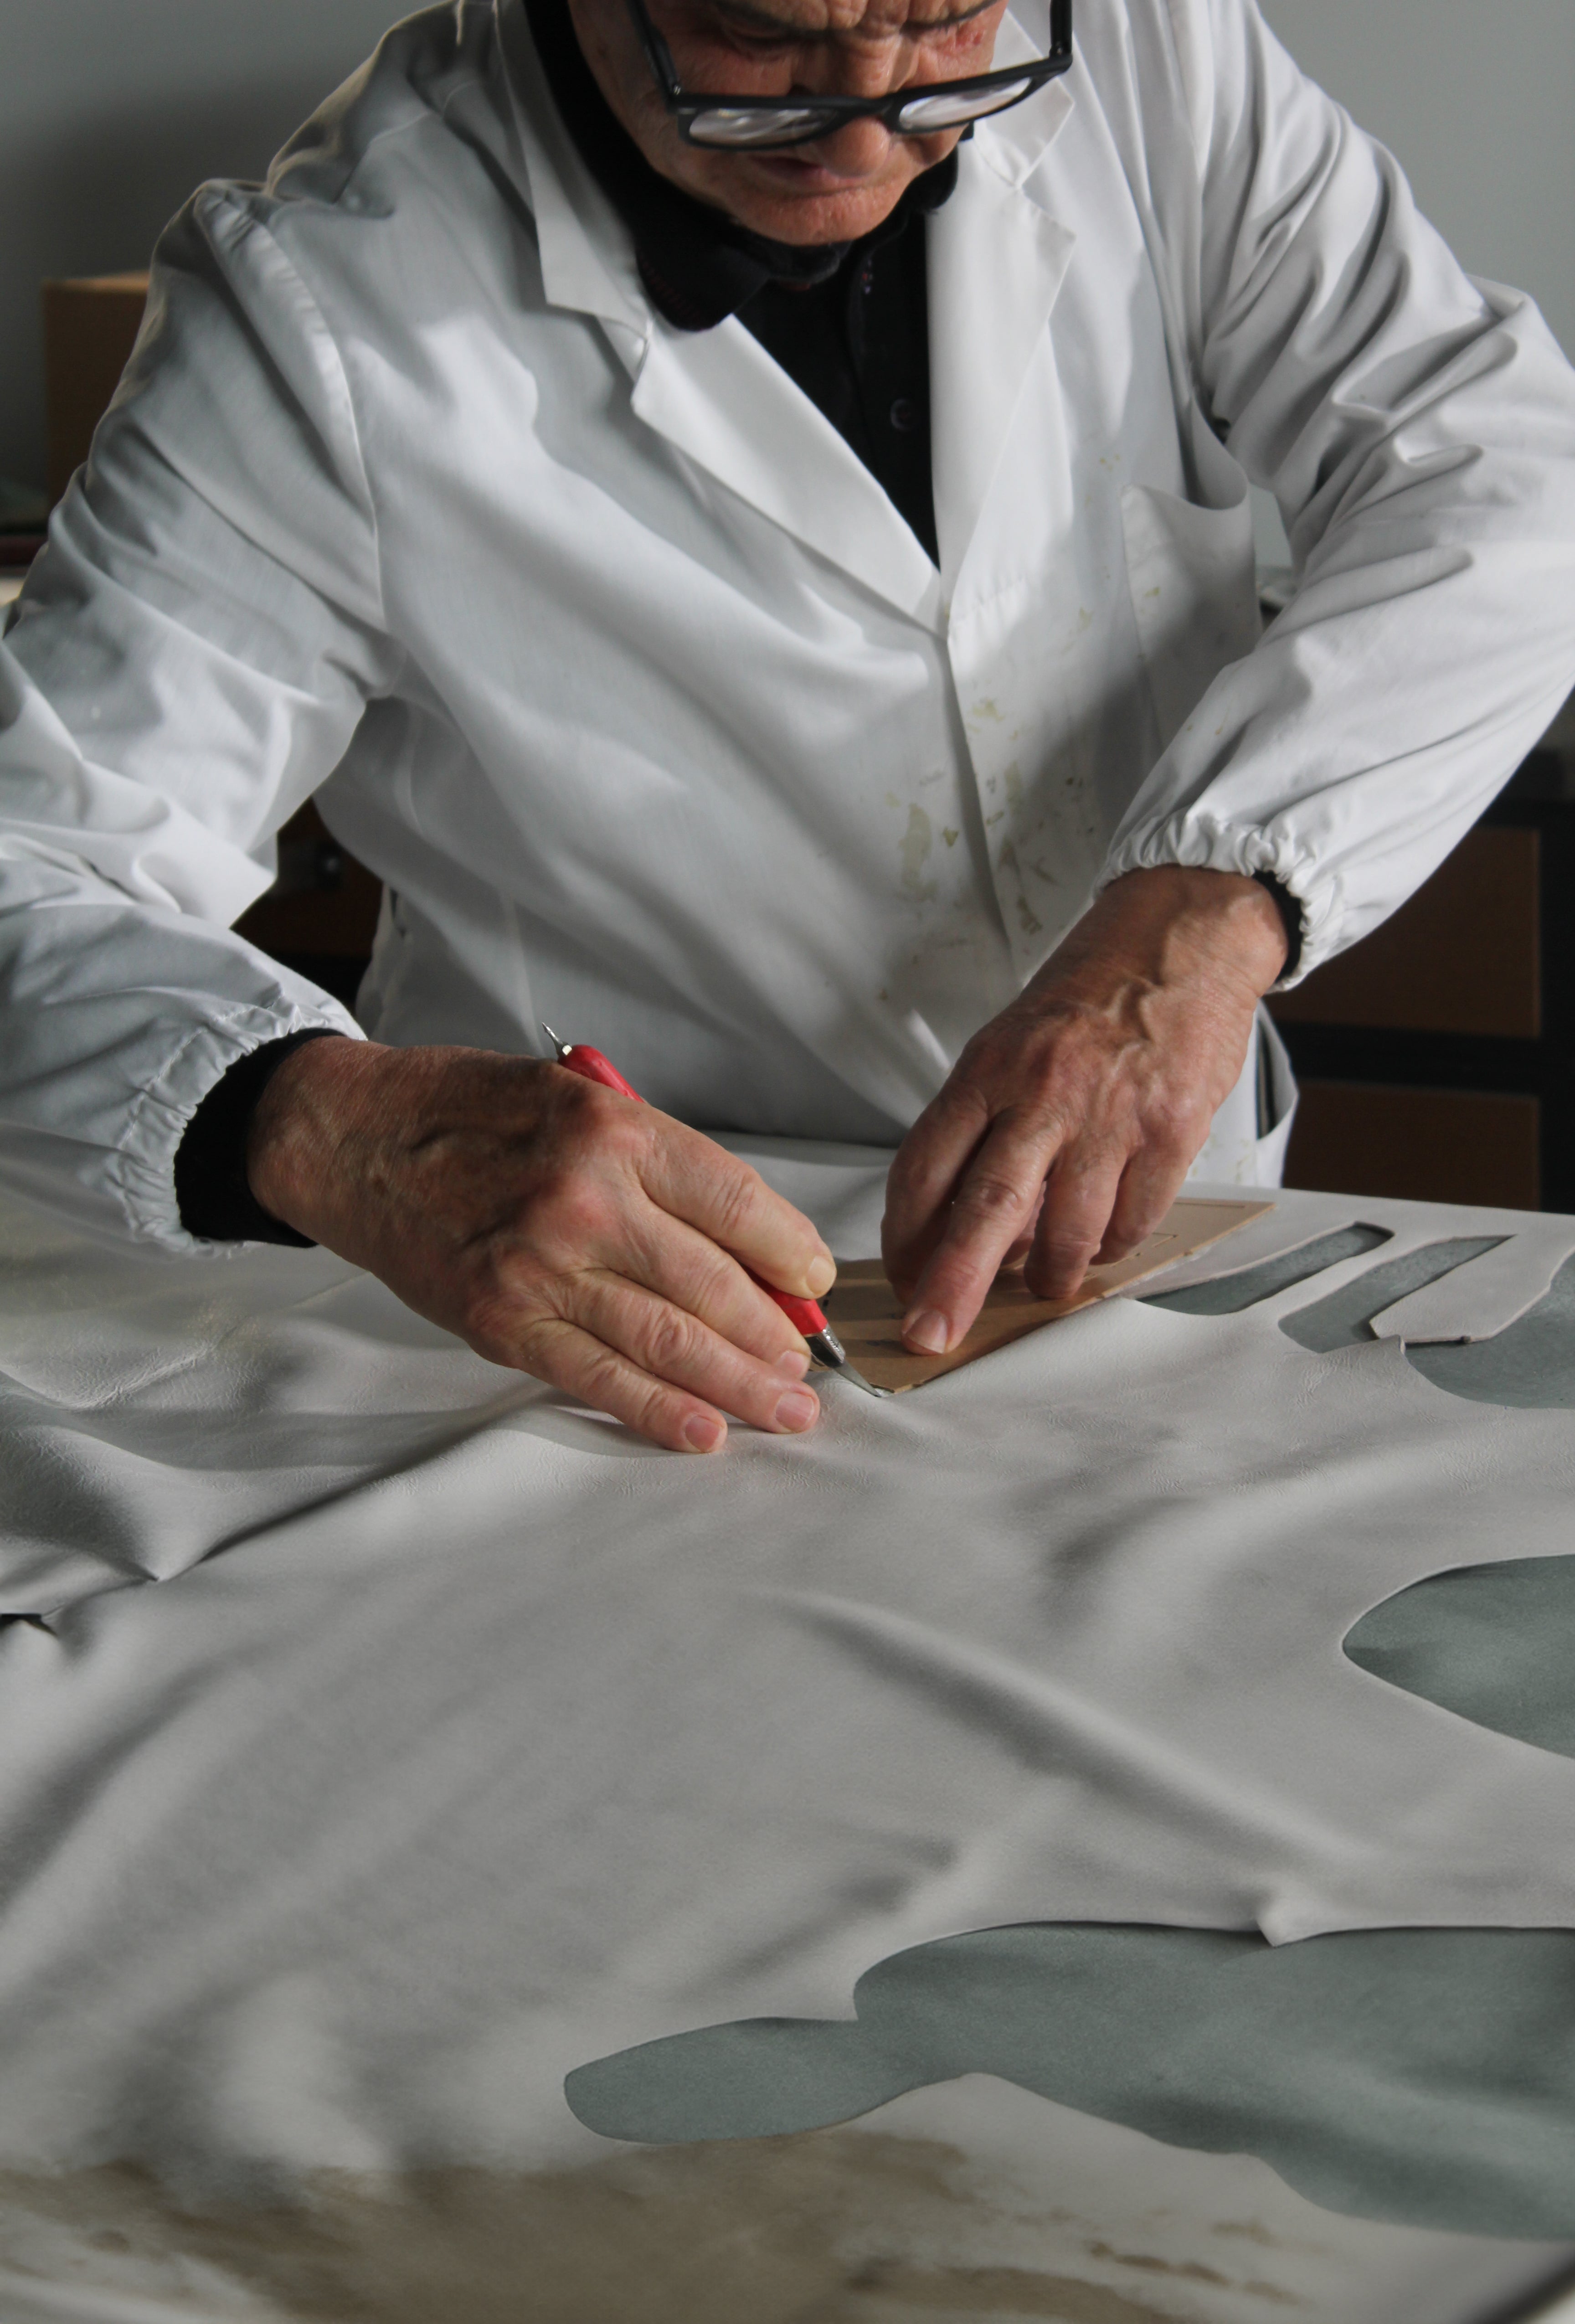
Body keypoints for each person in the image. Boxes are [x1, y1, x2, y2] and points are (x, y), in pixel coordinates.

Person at [0, 0, 1571, 1453]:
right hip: (637, 1338)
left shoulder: (1153, 50)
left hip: (1166, 1230)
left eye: (942, 27)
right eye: (764, 44)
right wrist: (335, 1132)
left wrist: (1209, 912)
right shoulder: (320, 304)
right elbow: (33, 873)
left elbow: (1503, 473)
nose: (873, 126)